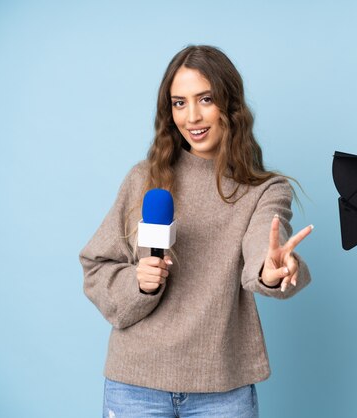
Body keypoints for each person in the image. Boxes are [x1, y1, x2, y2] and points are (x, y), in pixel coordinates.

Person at [79, 45, 313, 418]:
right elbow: (97, 267)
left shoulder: (265, 191)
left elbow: (261, 251)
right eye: (179, 103)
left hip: (222, 390)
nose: (192, 116)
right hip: (135, 385)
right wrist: (140, 284)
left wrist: (272, 270)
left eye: (205, 99)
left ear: (230, 105)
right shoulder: (144, 178)